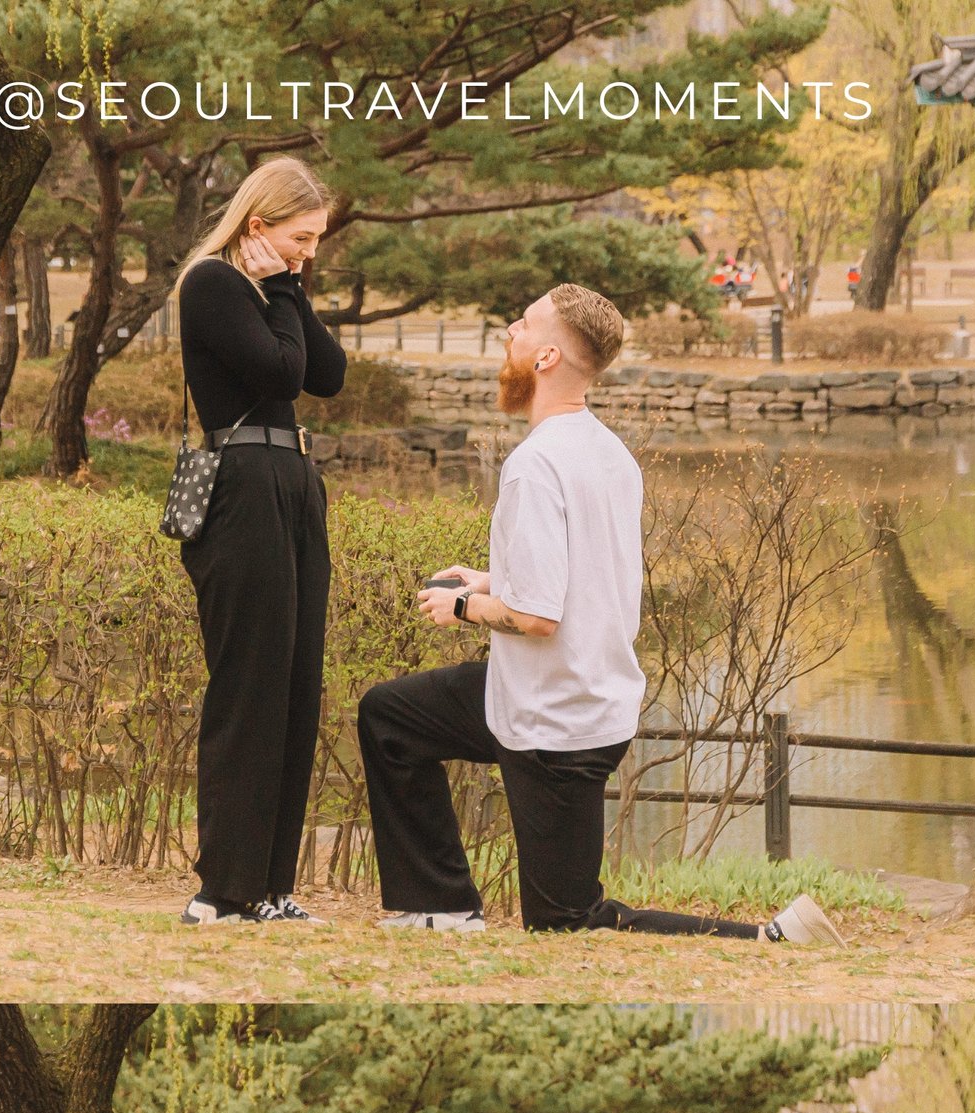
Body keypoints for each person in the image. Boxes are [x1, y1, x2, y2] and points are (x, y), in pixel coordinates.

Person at [355, 282, 840, 945]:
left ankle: (768, 939)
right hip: (574, 698)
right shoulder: (609, 453)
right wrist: (492, 576)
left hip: (554, 721)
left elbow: (536, 619)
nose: (508, 334)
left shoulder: (533, 466)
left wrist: (464, 604)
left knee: (567, 920)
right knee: (392, 717)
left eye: (522, 326)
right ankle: (438, 903)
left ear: (548, 356)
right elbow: (582, 577)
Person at [173, 158, 345, 927]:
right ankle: (223, 887)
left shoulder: (279, 290)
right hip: (241, 485)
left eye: (316, 241)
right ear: (258, 227)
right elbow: (281, 370)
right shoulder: (212, 285)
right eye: (299, 238)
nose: (308, 252)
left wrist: (291, 286)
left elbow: (328, 374)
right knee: (248, 686)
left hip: (295, 484)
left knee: (297, 687)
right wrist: (279, 290)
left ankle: (273, 886)